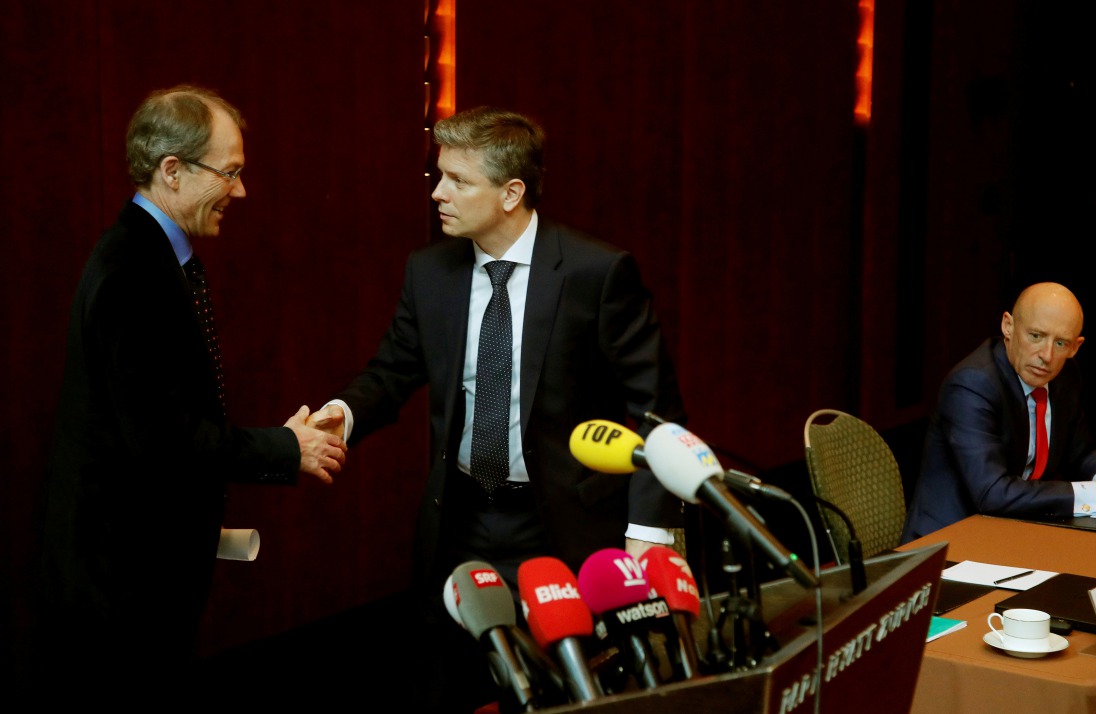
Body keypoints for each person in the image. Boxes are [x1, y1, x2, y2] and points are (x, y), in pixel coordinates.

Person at [306, 106, 685, 711]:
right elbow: (394, 368)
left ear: (511, 193)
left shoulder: (596, 272)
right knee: (450, 684)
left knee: (564, 694)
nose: (438, 193)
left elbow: (654, 407)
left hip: (563, 524)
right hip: (459, 522)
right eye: (439, 175)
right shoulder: (430, 272)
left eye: (458, 180)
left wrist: (648, 532)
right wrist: (342, 414)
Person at [32, 85, 348, 695]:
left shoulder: (156, 256)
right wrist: (288, 448)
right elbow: (163, 439)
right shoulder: (132, 273)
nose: (241, 191)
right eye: (229, 173)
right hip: (121, 581)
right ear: (171, 170)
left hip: (138, 569)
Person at [902, 282, 1096, 542]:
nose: (1046, 355)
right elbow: (992, 492)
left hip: (1014, 529)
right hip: (949, 540)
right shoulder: (972, 384)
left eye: (1061, 343)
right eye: (1036, 336)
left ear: (1075, 347)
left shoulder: (1065, 376)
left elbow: (1080, 453)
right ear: (1008, 326)